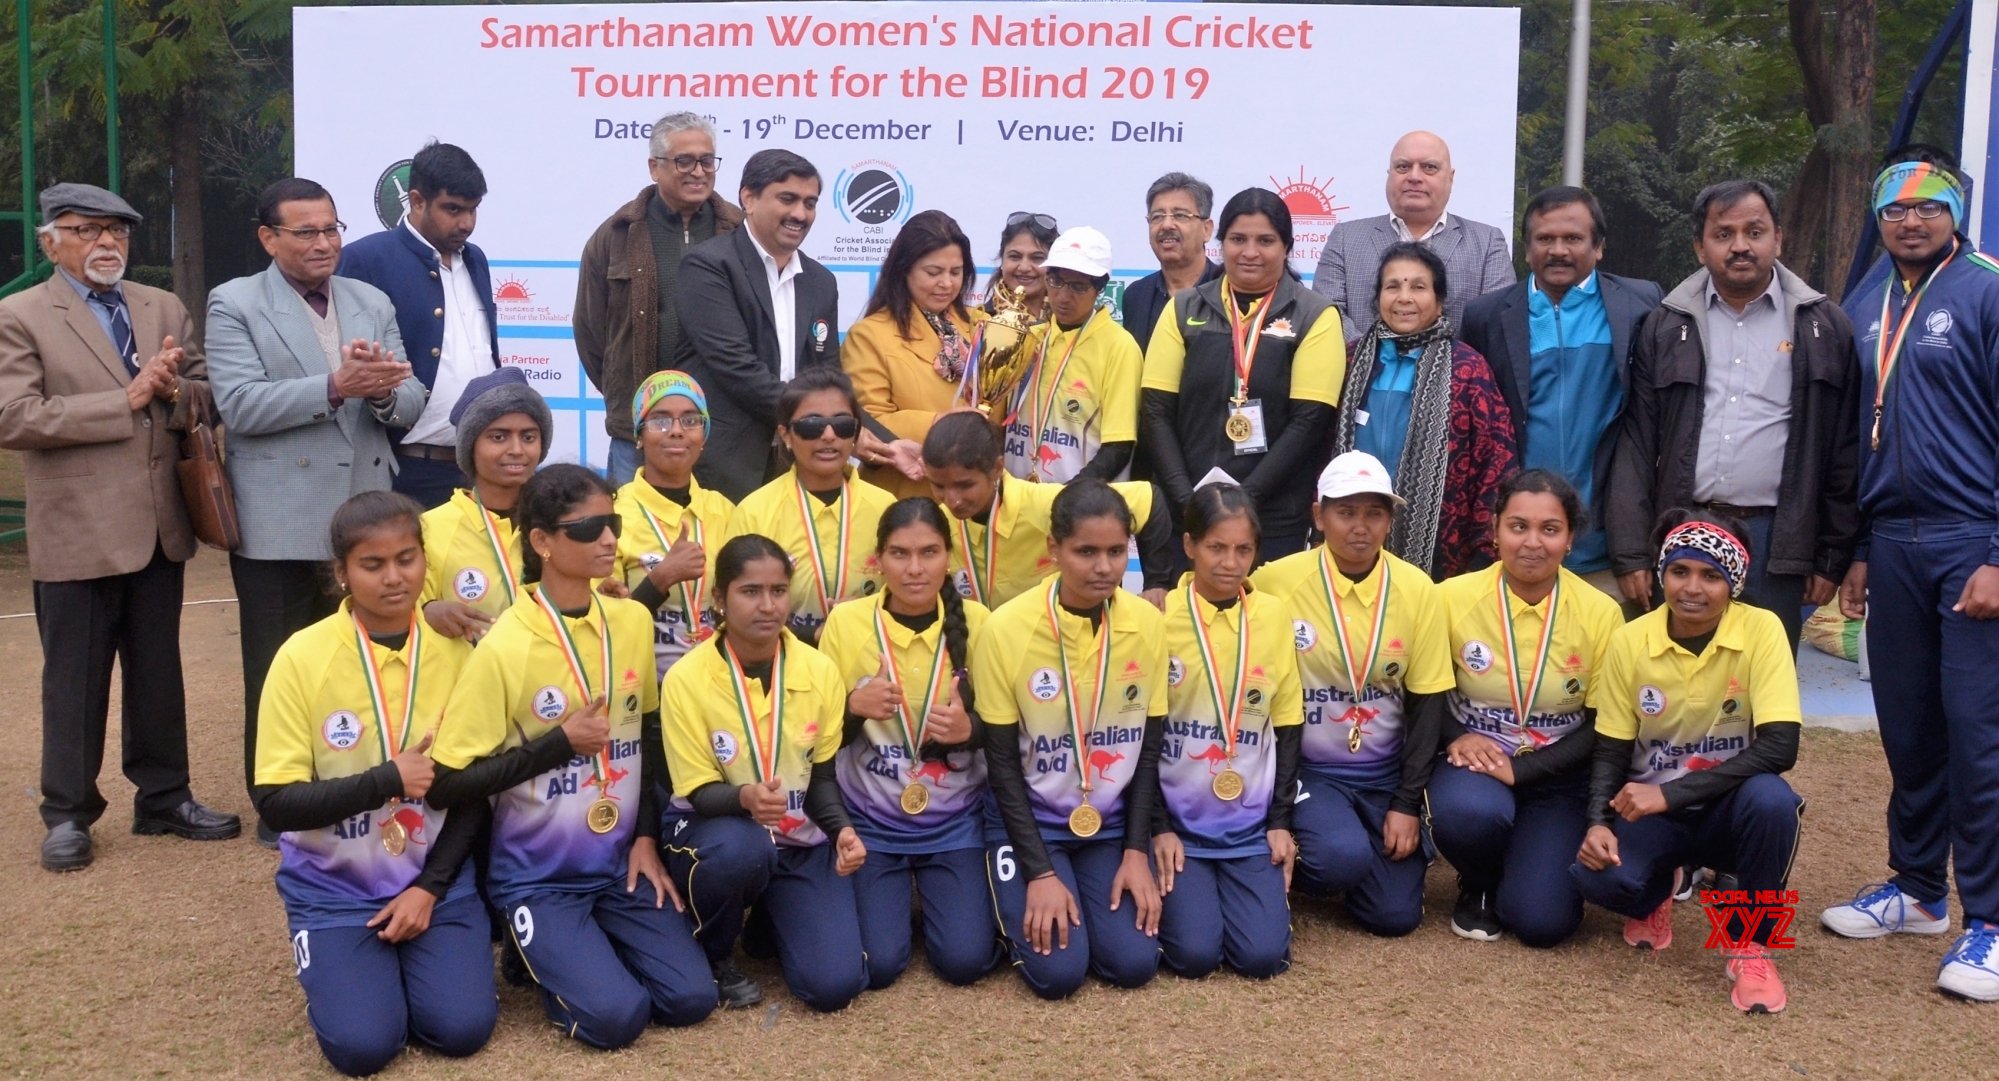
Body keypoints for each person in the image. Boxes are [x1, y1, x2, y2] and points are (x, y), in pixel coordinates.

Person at [428, 464, 715, 1048]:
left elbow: (649, 737)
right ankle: (538, 944)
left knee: (691, 1000)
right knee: (617, 1019)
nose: (610, 539)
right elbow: (448, 783)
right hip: (538, 877)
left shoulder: (630, 618)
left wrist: (643, 836)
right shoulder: (504, 644)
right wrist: (558, 744)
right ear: (541, 542)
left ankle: (581, 950)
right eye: (588, 528)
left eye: (612, 522)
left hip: (617, 864)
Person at [0, 182, 239, 871]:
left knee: (158, 672)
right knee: (73, 681)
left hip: (161, 526)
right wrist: (125, 397)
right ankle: (68, 812)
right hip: (76, 530)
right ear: (52, 241)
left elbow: (207, 391)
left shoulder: (160, 305)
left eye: (120, 232)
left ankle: (164, 797)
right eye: (88, 230)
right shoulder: (20, 315)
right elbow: (14, 418)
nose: (108, 243)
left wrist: (172, 390)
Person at [1819, 146, 1999, 1003]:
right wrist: (1855, 547)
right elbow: (1862, 433)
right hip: (1891, 542)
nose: (1911, 219)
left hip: (1972, 540)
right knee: (1910, 726)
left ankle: (1991, 922)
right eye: (1896, 207)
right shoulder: (1865, 303)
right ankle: (1919, 889)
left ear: (1953, 216)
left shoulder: (1987, 288)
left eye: (1929, 206)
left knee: (1978, 734)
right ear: (1879, 216)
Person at [208, 177, 428, 847]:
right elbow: (240, 405)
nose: (325, 243)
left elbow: (412, 400)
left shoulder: (370, 299)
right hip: (281, 519)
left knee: (361, 662)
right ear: (267, 238)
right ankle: (280, 804)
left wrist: (385, 392)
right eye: (306, 232)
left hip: (364, 514)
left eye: (332, 228)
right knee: (278, 666)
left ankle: (358, 783)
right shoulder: (234, 302)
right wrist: (336, 385)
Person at [251, 492, 495, 1075]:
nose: (394, 577)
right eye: (372, 564)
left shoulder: (462, 656)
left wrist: (431, 888)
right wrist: (388, 778)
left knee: (461, 1030)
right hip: (333, 891)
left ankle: (417, 948)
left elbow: (474, 795)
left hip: (436, 883)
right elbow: (276, 803)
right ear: (341, 573)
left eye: (407, 559)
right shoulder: (300, 658)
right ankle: (343, 965)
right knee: (364, 1048)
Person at [1607, 180, 1861, 650]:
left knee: (1763, 688)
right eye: (1723, 234)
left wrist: (1829, 558)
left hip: (1776, 540)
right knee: (1675, 683)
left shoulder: (1823, 326)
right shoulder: (1666, 324)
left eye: (1754, 231)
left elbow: (1841, 452)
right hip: (1683, 531)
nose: (1740, 246)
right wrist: (1631, 554)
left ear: (1778, 239)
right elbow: (1637, 444)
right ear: (1700, 247)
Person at [1572, 512, 1803, 1015]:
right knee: (1598, 879)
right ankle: (1662, 885)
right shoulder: (1631, 639)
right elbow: (1611, 747)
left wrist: (1673, 792)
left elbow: (1780, 748)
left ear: (1734, 584)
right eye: (1680, 571)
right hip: (1653, 814)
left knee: (1773, 801)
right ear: (1662, 575)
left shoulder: (1762, 630)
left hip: (1726, 808)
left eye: (1711, 576)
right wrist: (1597, 823)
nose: (1692, 588)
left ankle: (1749, 945)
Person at [659, 534, 869, 1012]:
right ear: (720, 599)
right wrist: (746, 799)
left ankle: (767, 920)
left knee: (834, 986)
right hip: (716, 830)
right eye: (750, 591)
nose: (767, 605)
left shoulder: (820, 672)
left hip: (798, 840)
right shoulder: (686, 678)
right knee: (743, 848)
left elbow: (820, 780)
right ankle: (714, 955)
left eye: (778, 590)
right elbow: (695, 792)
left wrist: (841, 830)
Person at [973, 480, 1166, 999]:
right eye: (1085, 551)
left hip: (1107, 826)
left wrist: (1134, 853)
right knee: (1058, 976)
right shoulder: (1005, 629)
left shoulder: (1147, 624)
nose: (1103, 567)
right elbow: (1001, 763)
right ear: (1053, 550)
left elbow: (1147, 750)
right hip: (1029, 823)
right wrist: (1038, 872)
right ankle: (1015, 892)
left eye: (1115, 552)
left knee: (1134, 965)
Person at [1248, 452, 1452, 937]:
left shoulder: (1417, 589)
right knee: (1338, 859)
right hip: (1310, 772)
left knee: (1394, 917)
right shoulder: (1276, 581)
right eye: (1345, 512)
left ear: (1390, 520)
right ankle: (1317, 847)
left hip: (1383, 778)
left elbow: (1426, 708)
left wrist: (1406, 804)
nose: (1360, 527)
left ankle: (1355, 849)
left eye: (1374, 513)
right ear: (1319, 515)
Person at [1426, 470, 1623, 946]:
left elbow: (1603, 727)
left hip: (1558, 775)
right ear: (1495, 529)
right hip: (1475, 764)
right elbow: (1424, 695)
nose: (1532, 542)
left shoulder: (1602, 613)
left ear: (1571, 538)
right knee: (1472, 814)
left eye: (1549, 529)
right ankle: (1479, 878)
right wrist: (1459, 735)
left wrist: (1526, 771)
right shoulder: (1450, 597)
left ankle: (1528, 866)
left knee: (1542, 923)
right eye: (1518, 526)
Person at [819, 498, 1002, 988]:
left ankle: (947, 904)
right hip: (871, 824)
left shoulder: (982, 624)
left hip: (955, 823)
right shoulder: (846, 623)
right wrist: (853, 711)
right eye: (899, 554)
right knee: (878, 966)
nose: (915, 569)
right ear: (877, 559)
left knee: (965, 963)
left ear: (950, 558)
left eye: (929, 552)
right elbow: (814, 738)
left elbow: (1007, 728)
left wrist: (972, 732)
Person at [1460, 186, 1662, 585]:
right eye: (1545, 239)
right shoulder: (1486, 316)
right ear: (1526, 248)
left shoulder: (1640, 304)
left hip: (1607, 543)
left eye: (1573, 239)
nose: (1558, 250)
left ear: (1598, 246)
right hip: (1518, 544)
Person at [1141, 187, 1346, 561]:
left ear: (1287, 247)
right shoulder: (1184, 307)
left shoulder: (1315, 315)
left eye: (1265, 240)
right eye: (1238, 239)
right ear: (1220, 244)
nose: (1250, 252)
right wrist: (1189, 502)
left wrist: (1243, 503)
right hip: (1187, 515)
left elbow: (1309, 423)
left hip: (1272, 520)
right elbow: (1156, 412)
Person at [1153, 483, 1301, 976]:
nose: (1229, 562)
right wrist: (1157, 827)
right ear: (1190, 545)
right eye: (1216, 547)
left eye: (1243, 549)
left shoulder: (1275, 616)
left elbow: (1287, 726)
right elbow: (1141, 736)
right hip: (1179, 826)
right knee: (1193, 957)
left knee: (1263, 959)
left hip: (1249, 826)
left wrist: (1280, 822)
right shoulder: (1157, 619)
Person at [1330, 242, 1516, 578]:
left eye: (1418, 287)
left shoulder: (1468, 369)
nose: (1404, 298)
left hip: (1444, 554)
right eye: (1393, 286)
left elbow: (1495, 463)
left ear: (1440, 300)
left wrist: (1485, 548)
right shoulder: (1348, 361)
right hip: (1349, 539)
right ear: (1377, 298)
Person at [575, 112, 741, 483]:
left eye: (707, 160)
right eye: (684, 161)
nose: (698, 171)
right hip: (635, 430)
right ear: (655, 167)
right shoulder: (614, 235)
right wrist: (628, 391)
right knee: (633, 538)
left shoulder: (739, 233)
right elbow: (589, 332)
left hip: (722, 429)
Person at [338, 141, 499, 508]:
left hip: (477, 469)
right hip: (404, 469)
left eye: (473, 210)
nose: (466, 223)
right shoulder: (366, 260)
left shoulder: (476, 260)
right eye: (453, 209)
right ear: (416, 200)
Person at [922, 412, 1174, 609]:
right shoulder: (936, 525)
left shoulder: (1046, 504)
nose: (952, 500)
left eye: (965, 485)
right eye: (939, 486)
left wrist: (1157, 583)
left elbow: (1150, 499)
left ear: (997, 468)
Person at [721, 368, 897, 644]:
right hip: (780, 665)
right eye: (812, 425)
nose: (828, 435)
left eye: (842, 425)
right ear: (786, 435)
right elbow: (732, 611)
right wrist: (813, 634)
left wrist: (860, 615)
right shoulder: (754, 511)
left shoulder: (886, 508)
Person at [841, 209, 984, 498]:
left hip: (975, 494)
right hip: (905, 493)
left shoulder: (980, 325)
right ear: (904, 270)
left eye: (956, 272)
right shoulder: (869, 335)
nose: (946, 283)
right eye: (933, 272)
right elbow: (870, 420)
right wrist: (940, 424)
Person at [1311, 130, 1514, 330]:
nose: (1414, 176)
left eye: (1429, 167)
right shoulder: (1346, 238)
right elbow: (1328, 315)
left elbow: (1496, 324)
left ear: (1450, 177)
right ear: (1389, 174)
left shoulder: (1487, 242)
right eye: (1403, 167)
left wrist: (1454, 361)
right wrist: (1375, 359)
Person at [611, 370, 735, 679]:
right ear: (639, 436)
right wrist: (661, 579)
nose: (676, 431)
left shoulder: (725, 511)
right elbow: (605, 627)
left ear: (703, 436)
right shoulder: (615, 514)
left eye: (691, 420)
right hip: (640, 693)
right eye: (660, 421)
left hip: (717, 689)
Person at [416, 367, 550, 641]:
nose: (516, 449)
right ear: (469, 448)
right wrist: (428, 611)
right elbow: (398, 618)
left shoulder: (558, 521)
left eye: (528, 437)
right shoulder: (429, 529)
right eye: (498, 437)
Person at [1002, 226, 1143, 484]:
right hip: (1017, 502)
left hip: (1080, 510)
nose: (1064, 297)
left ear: (1100, 287)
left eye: (1078, 286)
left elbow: (1118, 447)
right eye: (1056, 282)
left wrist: (1069, 498)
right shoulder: (1030, 337)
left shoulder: (1119, 347)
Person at [1122, 173, 1221, 355]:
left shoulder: (1228, 292)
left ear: (1206, 229)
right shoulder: (1135, 295)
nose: (1167, 225)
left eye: (1180, 215)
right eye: (1157, 217)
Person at [982, 211, 1057, 323]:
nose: (1024, 267)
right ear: (1002, 260)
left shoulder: (1072, 322)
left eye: (1037, 258)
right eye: (1015, 256)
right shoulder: (979, 321)